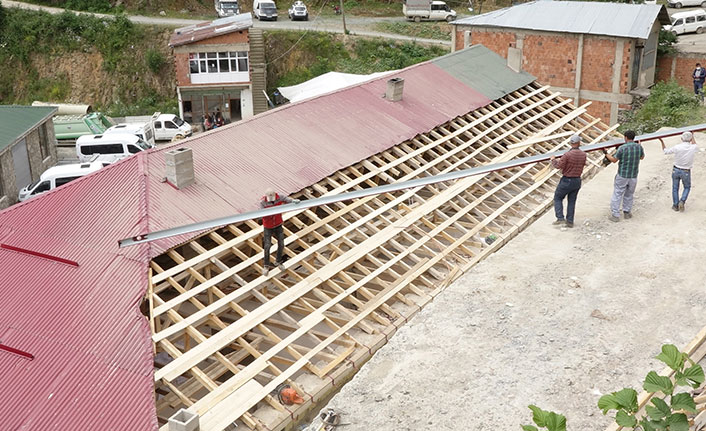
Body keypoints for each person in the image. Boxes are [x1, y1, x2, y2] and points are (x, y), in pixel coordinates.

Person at [605, 130, 645, 222]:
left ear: (626, 137)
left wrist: (606, 153)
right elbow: (642, 157)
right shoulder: (639, 147)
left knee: (617, 193)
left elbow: (614, 160)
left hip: (622, 175)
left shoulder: (622, 148)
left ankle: (615, 215)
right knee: (629, 194)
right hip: (633, 175)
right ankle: (627, 212)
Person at [260, 188, 301, 276]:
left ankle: (278, 261)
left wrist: (294, 201)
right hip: (268, 227)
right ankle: (266, 265)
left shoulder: (280, 197)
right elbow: (262, 215)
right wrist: (271, 213)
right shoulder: (263, 203)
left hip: (278, 224)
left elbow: (287, 200)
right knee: (267, 246)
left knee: (281, 244)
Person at [550, 134, 587, 228]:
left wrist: (553, 160)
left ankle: (560, 218)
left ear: (571, 143)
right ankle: (570, 221)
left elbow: (558, 166)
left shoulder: (567, 155)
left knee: (558, 198)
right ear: (579, 143)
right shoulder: (583, 155)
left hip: (567, 180)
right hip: (577, 180)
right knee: (572, 201)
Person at [660, 131, 699, 212]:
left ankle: (675, 205)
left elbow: (665, 151)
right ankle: (682, 201)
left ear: (681, 138)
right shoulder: (693, 147)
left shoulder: (677, 147)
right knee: (687, 187)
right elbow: (694, 144)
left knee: (675, 188)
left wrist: (662, 141)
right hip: (686, 171)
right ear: (691, 139)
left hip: (676, 169)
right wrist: (693, 135)